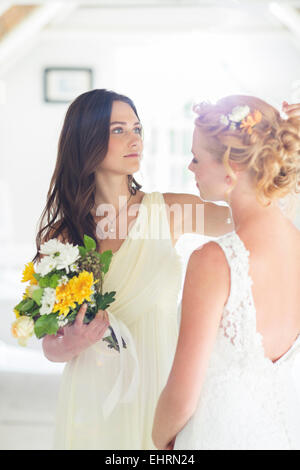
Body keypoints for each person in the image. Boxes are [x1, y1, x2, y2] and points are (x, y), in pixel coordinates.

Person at [34, 89, 232, 450]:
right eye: (119, 130)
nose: (135, 139)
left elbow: (250, 218)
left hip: (163, 385)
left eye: (137, 128)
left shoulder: (170, 210)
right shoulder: (62, 238)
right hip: (96, 396)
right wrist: (71, 342)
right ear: (87, 139)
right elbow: (49, 343)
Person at [152, 97, 300, 450]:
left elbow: (182, 396)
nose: (190, 168)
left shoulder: (214, 261)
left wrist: (156, 443)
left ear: (230, 169)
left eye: (196, 158)